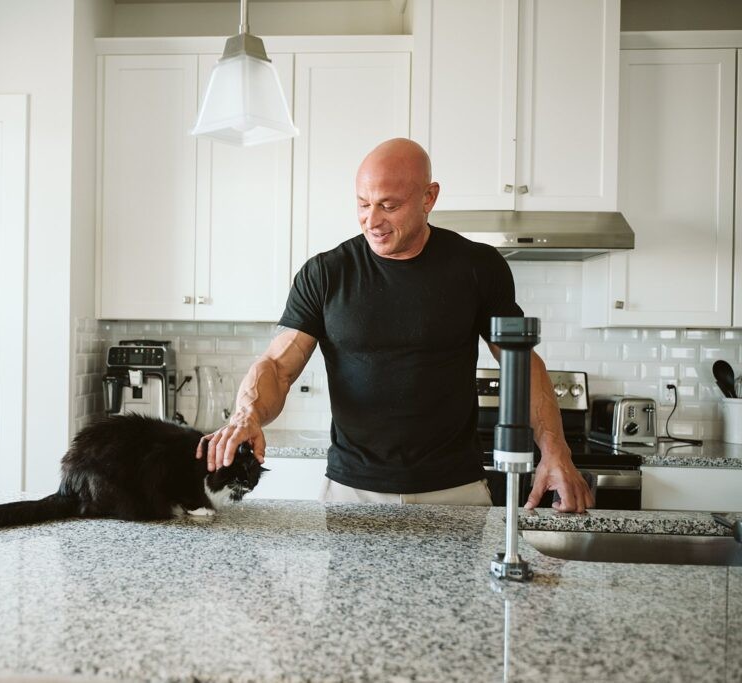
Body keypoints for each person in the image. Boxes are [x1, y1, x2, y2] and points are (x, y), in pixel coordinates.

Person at [195, 138, 594, 513]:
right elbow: (278, 367)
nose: (373, 220)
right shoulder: (327, 273)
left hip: (454, 489)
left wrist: (555, 449)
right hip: (352, 490)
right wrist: (245, 415)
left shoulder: (477, 266)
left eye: (389, 205)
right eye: (363, 203)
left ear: (429, 197)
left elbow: (518, 363)